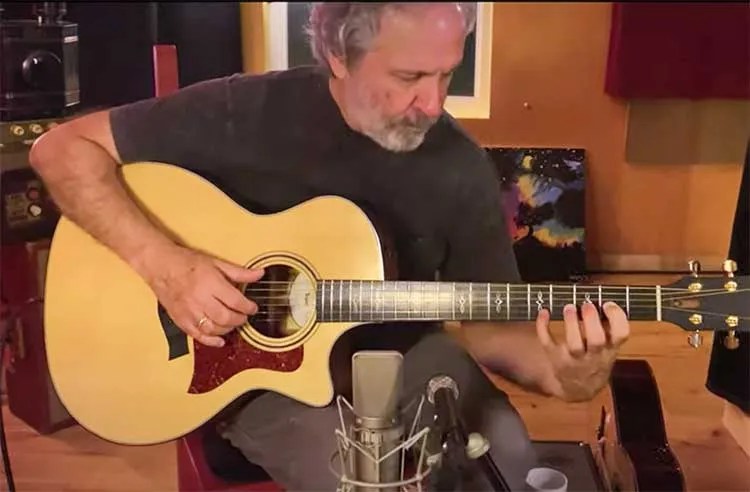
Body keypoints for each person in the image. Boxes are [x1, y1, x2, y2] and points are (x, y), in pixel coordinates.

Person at [29, 2, 630, 490]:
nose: (434, 103)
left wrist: (571, 373)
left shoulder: (460, 168)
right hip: (257, 381)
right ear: (338, 55)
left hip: (404, 359)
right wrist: (167, 267)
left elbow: (487, 325)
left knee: (512, 456)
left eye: (448, 72)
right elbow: (58, 151)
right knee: (362, 481)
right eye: (409, 77)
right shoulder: (242, 112)